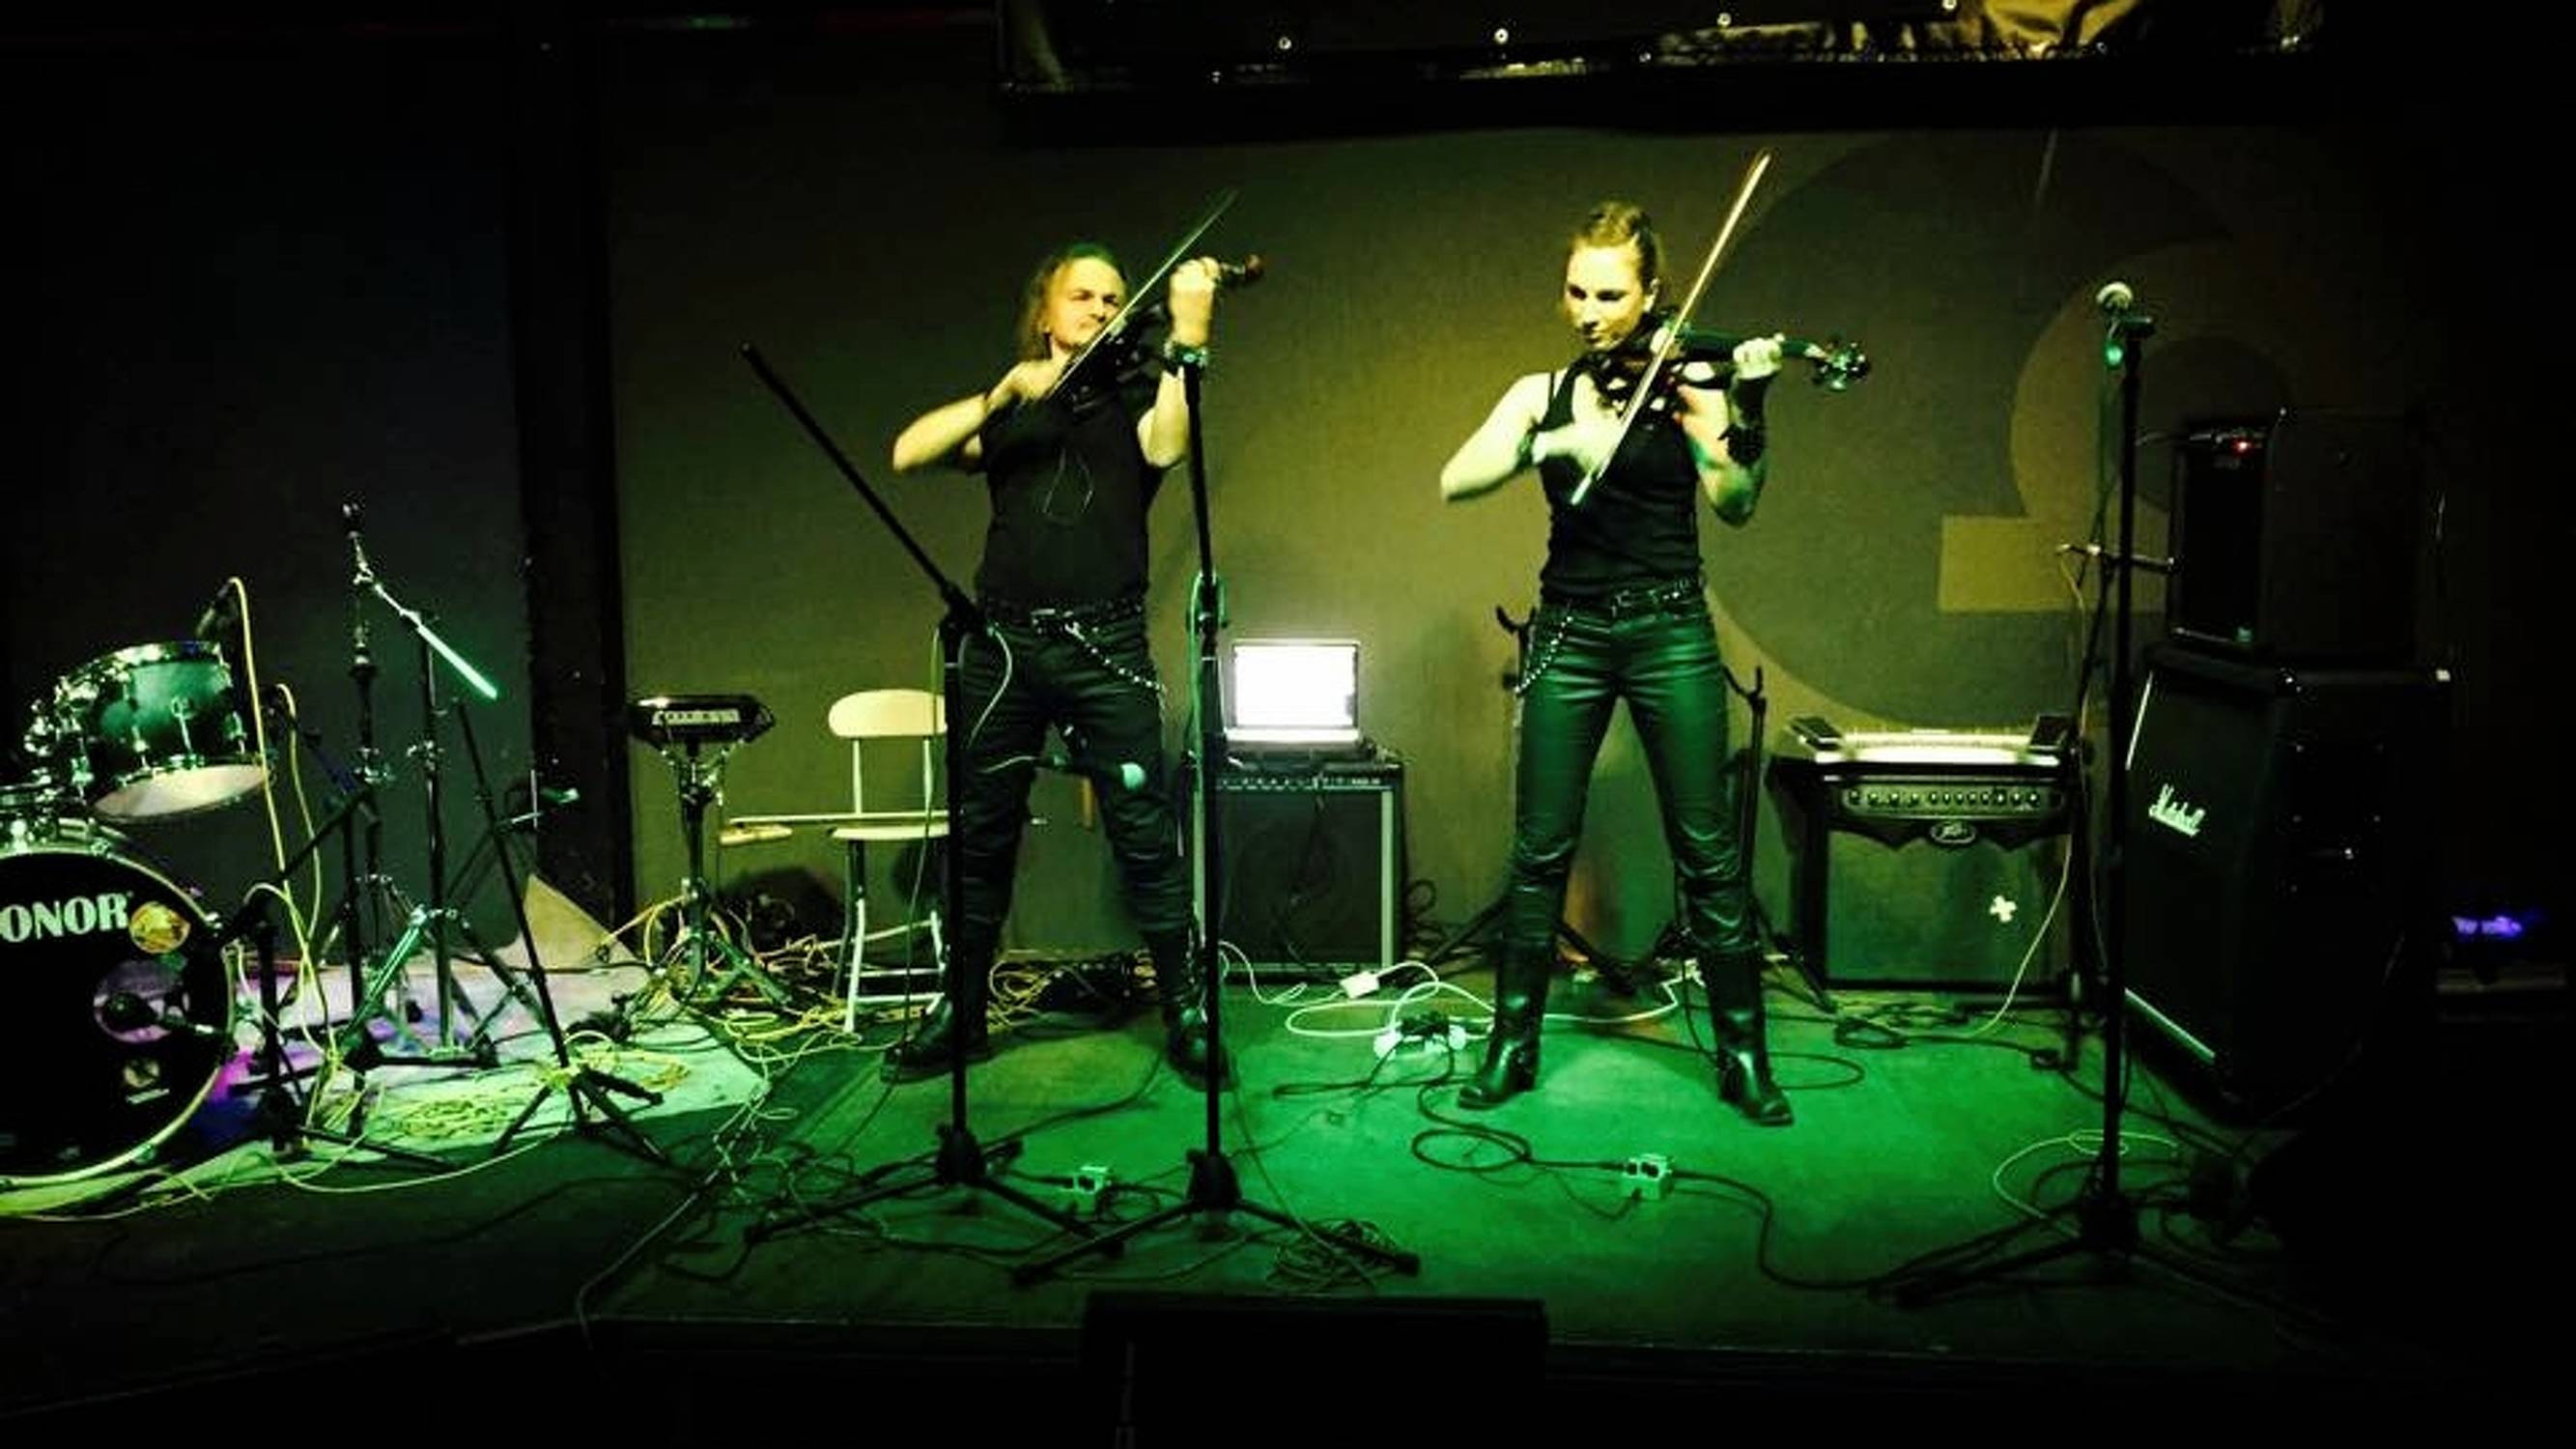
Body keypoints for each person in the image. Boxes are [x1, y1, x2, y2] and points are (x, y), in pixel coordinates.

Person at [1436, 200, 1792, 1125]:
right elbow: (1455, 479)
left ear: (1650, 294)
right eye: (1576, 292)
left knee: (1706, 850)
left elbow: (1736, 500)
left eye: (1609, 295)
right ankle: (1511, 1046)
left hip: (1670, 627)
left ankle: (1743, 1056)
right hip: (1570, 632)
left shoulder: (1690, 384)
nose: (1589, 312)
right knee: (1539, 848)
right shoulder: (1540, 391)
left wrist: (1750, 405)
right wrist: (1559, 441)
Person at [883, 242, 1225, 1087]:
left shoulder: (1137, 394)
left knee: (1143, 834)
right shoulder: (1014, 406)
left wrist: (1186, 340)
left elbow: (1168, 449)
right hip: (1003, 650)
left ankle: (1185, 1010)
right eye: (1083, 296)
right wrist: (1002, 391)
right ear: (1044, 312)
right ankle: (962, 1012)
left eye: (1113, 299)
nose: (1101, 309)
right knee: (980, 837)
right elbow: (907, 452)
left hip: (1104, 646)